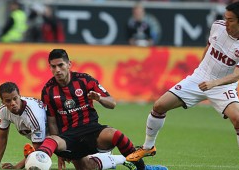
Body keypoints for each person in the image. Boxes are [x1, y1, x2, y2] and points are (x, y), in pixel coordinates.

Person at [126, 1, 239, 170]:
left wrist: (214, 83)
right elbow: (209, 46)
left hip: (223, 85)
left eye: (230, 20)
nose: (226, 22)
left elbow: (238, 74)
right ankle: (148, 147)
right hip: (200, 78)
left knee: (238, 119)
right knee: (159, 105)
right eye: (225, 18)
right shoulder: (217, 26)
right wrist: (200, 70)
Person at [24, 49, 168, 170]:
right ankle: (38, 162)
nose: (57, 70)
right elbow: (52, 122)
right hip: (68, 137)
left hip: (93, 131)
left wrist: (99, 98)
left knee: (115, 134)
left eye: (60, 65)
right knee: (59, 146)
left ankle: (142, 168)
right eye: (53, 67)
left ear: (69, 64)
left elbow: (112, 103)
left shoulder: (85, 80)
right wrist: (59, 153)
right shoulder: (48, 90)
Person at [0, 82, 140, 170]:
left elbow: (39, 150)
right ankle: (119, 158)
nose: (12, 103)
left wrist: (17, 167)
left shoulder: (33, 115)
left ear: (20, 95)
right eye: (7, 101)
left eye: (15, 99)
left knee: (86, 165)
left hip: (64, 133)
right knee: (85, 167)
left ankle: (123, 158)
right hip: (52, 140)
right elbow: (2, 137)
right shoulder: (3, 111)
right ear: (2, 101)